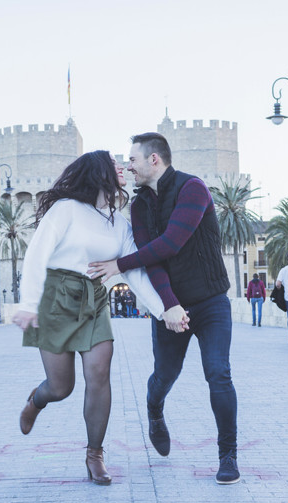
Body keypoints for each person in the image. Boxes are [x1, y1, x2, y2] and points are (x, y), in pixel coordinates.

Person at [88, 132, 241, 485]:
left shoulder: (193, 189)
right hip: (170, 303)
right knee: (164, 377)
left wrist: (119, 263)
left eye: (133, 159)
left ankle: (228, 455)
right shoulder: (140, 205)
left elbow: (171, 242)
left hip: (211, 301)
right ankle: (154, 409)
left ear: (154, 159)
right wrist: (169, 305)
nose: (128, 165)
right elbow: (153, 260)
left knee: (218, 372)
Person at [14, 150, 166, 486]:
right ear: (99, 173)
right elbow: (36, 254)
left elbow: (134, 272)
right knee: (61, 387)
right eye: (115, 164)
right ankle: (36, 401)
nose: (124, 167)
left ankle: (94, 453)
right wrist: (28, 303)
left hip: (95, 299)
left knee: (99, 374)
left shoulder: (119, 223)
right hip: (55, 296)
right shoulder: (66, 209)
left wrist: (162, 310)